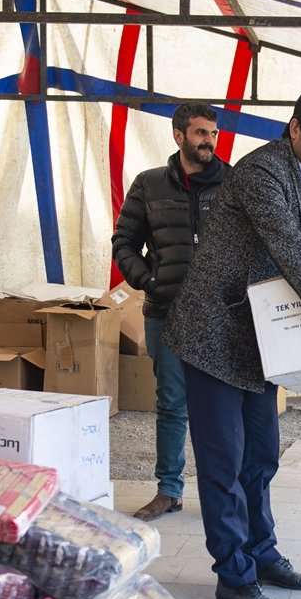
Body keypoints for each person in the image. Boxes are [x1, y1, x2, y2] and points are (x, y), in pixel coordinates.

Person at [163, 87, 301, 599]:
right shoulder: (263, 171)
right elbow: (289, 247)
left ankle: (261, 553)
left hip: (261, 342)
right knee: (223, 462)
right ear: (295, 127)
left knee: (261, 455)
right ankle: (234, 577)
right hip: (213, 335)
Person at [111, 103, 228, 521]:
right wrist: (148, 281)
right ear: (179, 136)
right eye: (200, 133)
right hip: (166, 311)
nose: (209, 141)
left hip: (219, 316)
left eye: (213, 133)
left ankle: (222, 493)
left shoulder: (233, 183)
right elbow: (124, 242)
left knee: (219, 409)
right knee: (172, 405)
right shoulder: (149, 184)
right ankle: (169, 491)